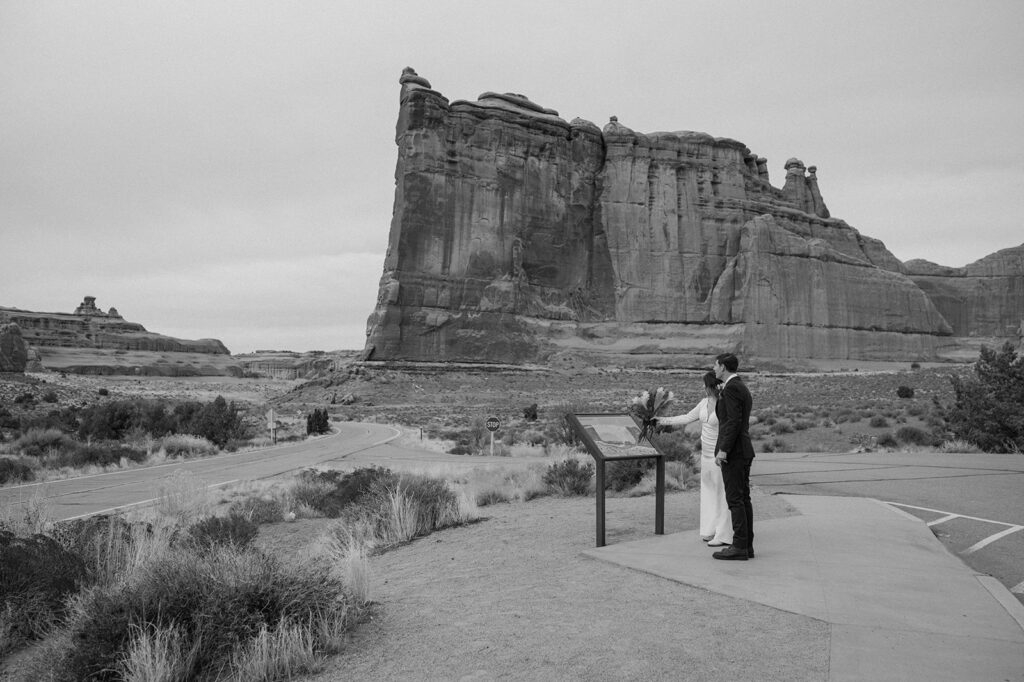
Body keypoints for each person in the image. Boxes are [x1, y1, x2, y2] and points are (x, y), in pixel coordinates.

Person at [655, 371, 733, 547]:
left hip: (719, 455)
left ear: (711, 386)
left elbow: (729, 429)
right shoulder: (704, 403)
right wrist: (662, 420)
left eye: (705, 385)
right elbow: (687, 417)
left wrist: (724, 451)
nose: (703, 388)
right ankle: (709, 530)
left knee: (722, 494)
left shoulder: (725, 403)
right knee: (708, 492)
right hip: (705, 456)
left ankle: (724, 534)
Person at [711, 352, 756, 561]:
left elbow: (733, 423)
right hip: (743, 449)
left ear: (723, 367)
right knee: (743, 498)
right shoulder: (740, 386)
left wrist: (723, 450)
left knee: (735, 499)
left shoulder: (731, 388)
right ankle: (746, 545)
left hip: (735, 452)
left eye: (716, 365)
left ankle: (739, 546)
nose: (713, 368)